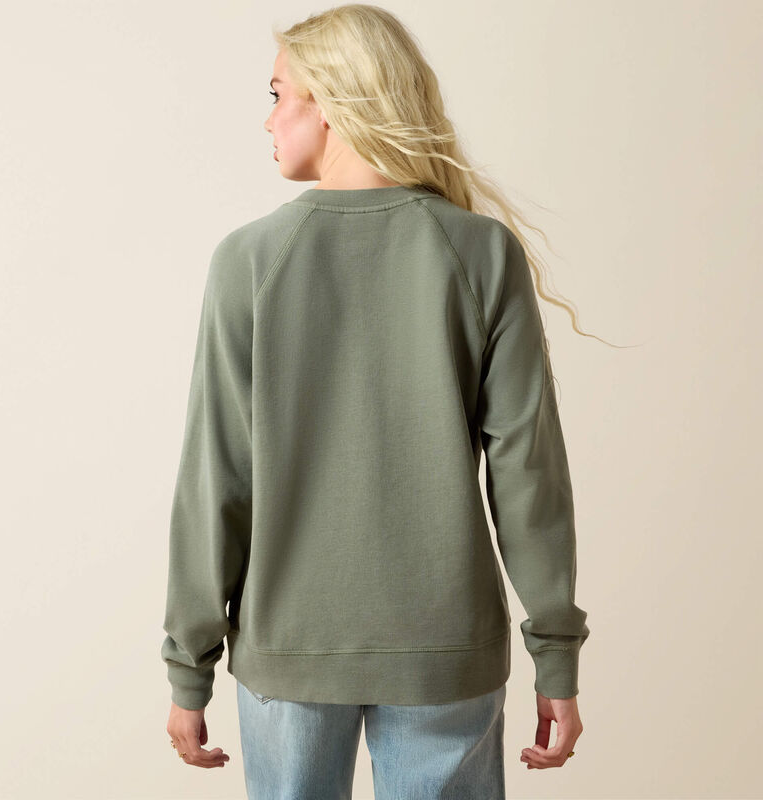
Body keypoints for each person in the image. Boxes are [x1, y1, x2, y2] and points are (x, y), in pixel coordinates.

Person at [161, 4, 591, 797]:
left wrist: (190, 666)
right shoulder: (479, 252)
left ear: (329, 100)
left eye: (277, 94)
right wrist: (555, 654)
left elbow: (216, 476)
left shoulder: (250, 260)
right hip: (444, 649)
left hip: (289, 648)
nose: (268, 119)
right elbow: (528, 474)